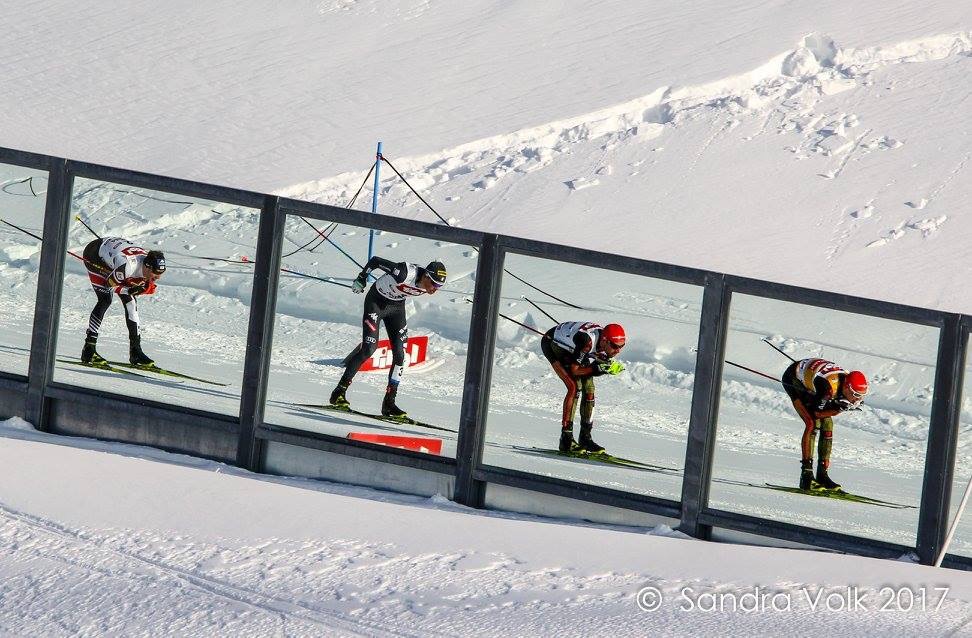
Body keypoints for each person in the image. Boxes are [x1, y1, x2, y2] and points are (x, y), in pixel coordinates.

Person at [329, 256, 447, 418]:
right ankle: (339, 392)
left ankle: (389, 404)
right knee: (369, 349)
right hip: (376, 303)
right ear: (426, 276)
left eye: (439, 286)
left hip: (396, 309)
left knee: (400, 356)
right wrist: (362, 278)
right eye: (434, 284)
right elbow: (375, 261)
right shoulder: (404, 273)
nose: (435, 289)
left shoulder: (427, 285)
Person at [781, 358, 869, 490]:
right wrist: (837, 409)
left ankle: (822, 474)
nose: (857, 399)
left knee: (828, 425)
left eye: (861, 395)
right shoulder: (827, 387)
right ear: (846, 387)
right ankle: (806, 476)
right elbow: (817, 413)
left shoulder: (844, 387)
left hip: (814, 375)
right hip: (793, 377)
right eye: (856, 395)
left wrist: (836, 406)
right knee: (812, 423)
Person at [540, 321, 626, 453]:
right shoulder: (587, 342)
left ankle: (585, 438)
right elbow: (575, 371)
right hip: (553, 344)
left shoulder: (602, 342)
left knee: (589, 389)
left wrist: (605, 366)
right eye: (615, 346)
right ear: (605, 341)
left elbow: (596, 359)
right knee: (574, 387)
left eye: (622, 346)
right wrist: (599, 369)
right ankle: (566, 439)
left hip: (573, 344)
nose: (618, 351)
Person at [80, 237, 166, 367]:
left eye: (161, 273)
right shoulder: (128, 267)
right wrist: (129, 289)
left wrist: (135, 289)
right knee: (105, 300)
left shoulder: (146, 265)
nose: (158, 277)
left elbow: (145, 286)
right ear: (147, 267)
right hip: (94, 254)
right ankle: (89, 349)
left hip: (113, 253)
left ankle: (136, 351)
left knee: (131, 304)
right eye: (155, 273)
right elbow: (109, 284)